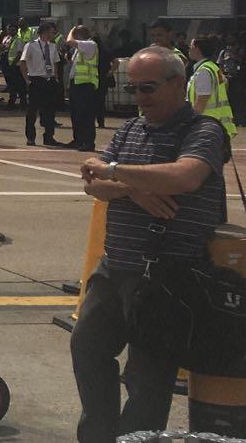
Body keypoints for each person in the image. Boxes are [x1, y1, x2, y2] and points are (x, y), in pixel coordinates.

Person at [72, 47, 231, 442]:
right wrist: (133, 190)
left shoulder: (204, 131)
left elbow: (184, 177)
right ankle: (99, 434)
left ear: (179, 85)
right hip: (115, 269)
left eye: (148, 87)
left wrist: (113, 173)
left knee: (147, 378)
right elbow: (94, 183)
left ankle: (136, 438)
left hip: (168, 277)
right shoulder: (131, 130)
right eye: (133, 88)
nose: (140, 97)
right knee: (88, 348)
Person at [22, 20, 63, 147]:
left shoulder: (52, 46)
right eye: (51, 32)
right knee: (32, 110)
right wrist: (27, 79)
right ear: (43, 32)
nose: (52, 35)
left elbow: (55, 62)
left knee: (50, 110)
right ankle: (30, 137)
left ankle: (49, 136)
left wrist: (55, 77)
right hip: (36, 79)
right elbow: (23, 62)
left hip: (49, 80)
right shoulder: (31, 45)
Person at [188, 35, 237, 139]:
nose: (189, 49)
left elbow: (201, 101)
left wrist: (190, 124)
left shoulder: (203, 71)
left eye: (191, 46)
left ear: (197, 49)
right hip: (215, 124)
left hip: (205, 126)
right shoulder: (214, 68)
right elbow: (225, 84)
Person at [65, 25, 102, 153]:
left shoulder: (90, 44)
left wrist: (72, 30)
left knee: (86, 115)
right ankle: (78, 140)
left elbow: (69, 41)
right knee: (76, 114)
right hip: (77, 83)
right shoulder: (81, 48)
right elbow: (74, 66)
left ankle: (88, 142)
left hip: (86, 84)